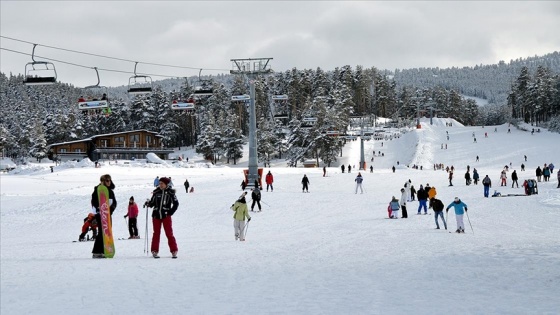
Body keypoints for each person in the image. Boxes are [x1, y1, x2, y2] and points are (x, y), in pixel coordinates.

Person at [146, 177, 179, 259]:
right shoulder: (156, 192)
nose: (160, 185)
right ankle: (154, 250)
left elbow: (176, 204)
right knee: (156, 233)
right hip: (156, 215)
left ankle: (174, 250)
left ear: (166, 184)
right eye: (159, 183)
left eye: (162, 183)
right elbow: (152, 203)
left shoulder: (171, 193)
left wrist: (170, 212)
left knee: (169, 233)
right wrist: (148, 204)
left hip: (166, 215)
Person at [91, 174, 117, 258]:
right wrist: (99, 208)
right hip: (100, 214)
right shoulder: (97, 190)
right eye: (107, 180)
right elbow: (94, 201)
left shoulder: (110, 191)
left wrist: (110, 210)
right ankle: (97, 251)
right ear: (102, 181)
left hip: (108, 214)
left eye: (109, 180)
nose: (109, 182)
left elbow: (114, 203)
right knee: (102, 231)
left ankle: (104, 250)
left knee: (107, 231)